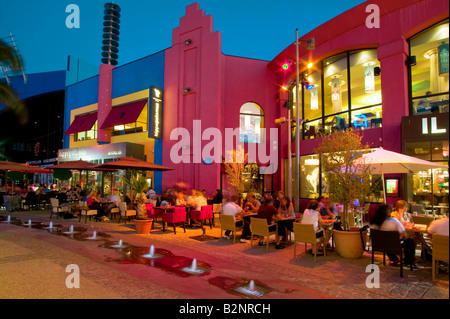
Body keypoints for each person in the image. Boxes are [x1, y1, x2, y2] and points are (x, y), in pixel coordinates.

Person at [369, 204, 419, 269]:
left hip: (378, 245)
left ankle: (394, 259)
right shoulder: (394, 221)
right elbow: (403, 234)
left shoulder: (373, 222)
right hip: (394, 245)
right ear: (387, 212)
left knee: (387, 241)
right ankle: (409, 261)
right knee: (410, 241)